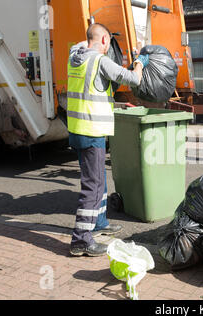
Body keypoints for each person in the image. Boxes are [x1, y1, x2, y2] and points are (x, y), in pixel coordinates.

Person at [67, 23, 149, 257]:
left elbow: (83, 42)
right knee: (92, 185)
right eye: (107, 42)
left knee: (98, 179)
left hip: (78, 128)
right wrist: (140, 63)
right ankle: (81, 239)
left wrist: (95, 36)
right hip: (92, 130)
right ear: (104, 40)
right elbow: (133, 79)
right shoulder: (100, 61)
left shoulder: (74, 55)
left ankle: (99, 222)